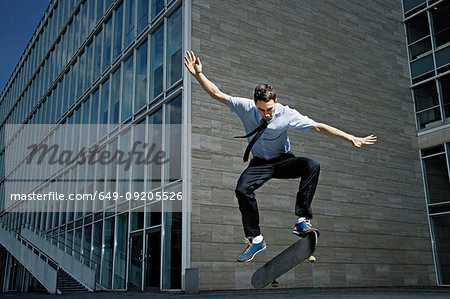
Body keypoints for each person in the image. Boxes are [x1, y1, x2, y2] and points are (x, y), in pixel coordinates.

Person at [184, 51, 377, 263]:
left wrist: (350, 137)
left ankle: (302, 220)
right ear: (254, 104)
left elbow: (319, 127)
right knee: (241, 189)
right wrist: (198, 75)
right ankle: (256, 239)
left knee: (312, 165)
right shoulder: (246, 107)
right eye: (261, 110)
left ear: (276, 101)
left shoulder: (286, 113)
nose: (266, 114)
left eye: (269, 109)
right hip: (259, 163)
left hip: (282, 160)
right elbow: (217, 94)